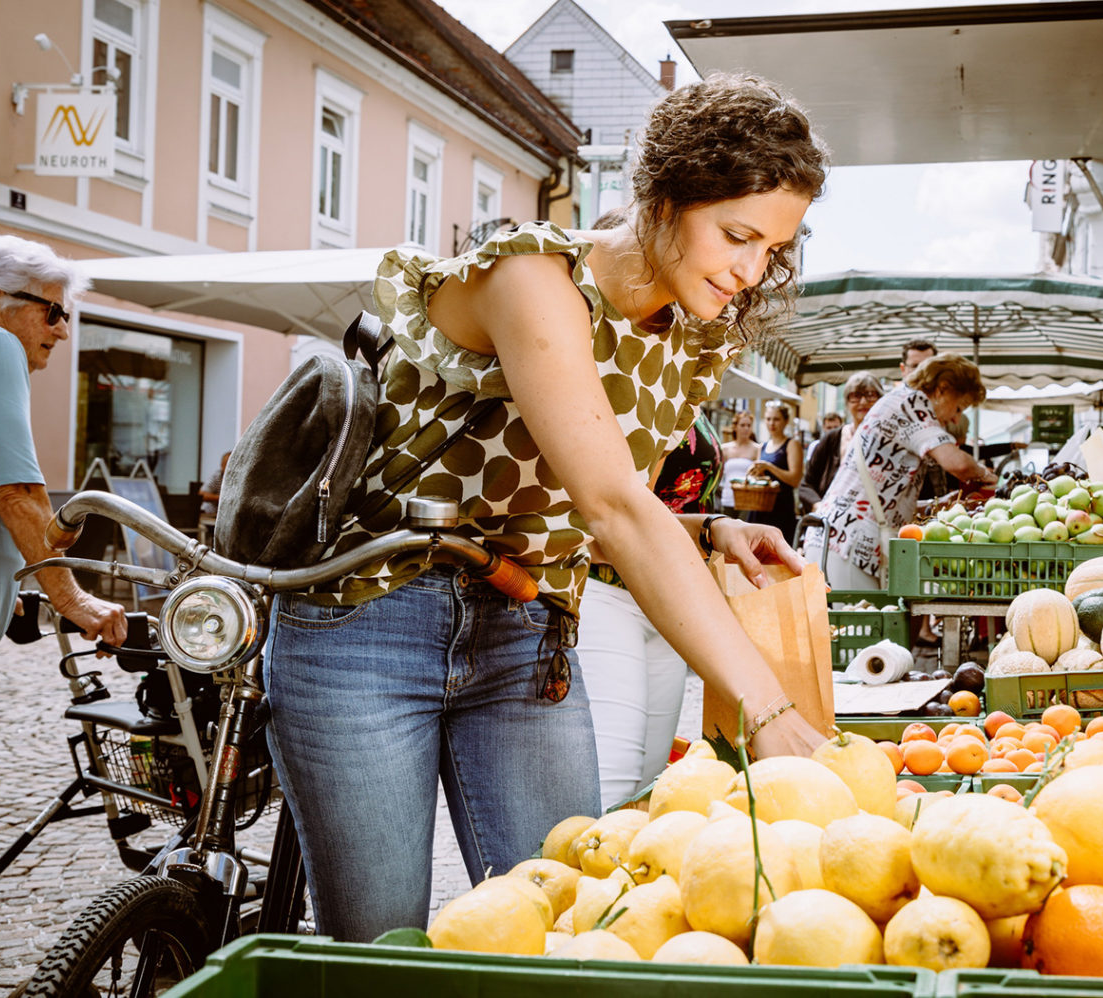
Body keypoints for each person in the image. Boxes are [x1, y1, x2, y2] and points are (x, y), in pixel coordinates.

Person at [261, 72, 831, 942]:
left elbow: (573, 493)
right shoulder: (532, 275)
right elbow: (610, 504)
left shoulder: (691, 330)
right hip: (366, 627)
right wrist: (768, 708)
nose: (752, 272)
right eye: (738, 236)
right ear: (666, 198)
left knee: (579, 918)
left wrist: (709, 525)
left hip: (525, 630)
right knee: (383, 946)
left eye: (773, 252)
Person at [0, 235, 128, 739]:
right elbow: (16, 492)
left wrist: (2, 586)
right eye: (54, 311)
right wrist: (74, 601)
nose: (62, 331)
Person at [579, 412, 722, 807]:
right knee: (612, 789)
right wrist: (712, 531)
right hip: (605, 591)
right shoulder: (629, 372)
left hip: (668, 594)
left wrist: (716, 530)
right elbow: (608, 521)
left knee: (648, 788)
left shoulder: (693, 370)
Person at [805, 354, 996, 592]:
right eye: (958, 407)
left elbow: (885, 499)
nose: (956, 418)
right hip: (847, 545)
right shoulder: (913, 404)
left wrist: (935, 504)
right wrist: (989, 477)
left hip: (843, 543)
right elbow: (959, 464)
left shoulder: (901, 402)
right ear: (941, 390)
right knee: (861, 627)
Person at [799, 371, 882, 512]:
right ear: (847, 402)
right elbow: (806, 485)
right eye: (855, 396)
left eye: (870, 395)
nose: (863, 402)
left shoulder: (889, 440)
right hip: (833, 521)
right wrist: (819, 507)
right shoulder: (832, 439)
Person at [742, 400, 803, 541]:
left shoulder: (791, 444)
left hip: (781, 509)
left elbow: (795, 480)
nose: (772, 423)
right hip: (760, 506)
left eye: (776, 419)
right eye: (768, 419)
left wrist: (769, 467)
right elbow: (760, 478)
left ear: (786, 421)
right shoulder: (762, 446)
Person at [720, 409, 759, 514]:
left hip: (748, 500)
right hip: (727, 498)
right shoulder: (725, 449)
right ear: (735, 427)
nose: (746, 428)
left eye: (749, 425)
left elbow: (759, 475)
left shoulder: (757, 449)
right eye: (742, 425)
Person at [198, 451, 230, 516]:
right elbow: (202, 495)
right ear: (222, 465)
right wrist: (223, 498)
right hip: (211, 514)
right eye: (228, 465)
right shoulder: (217, 477)